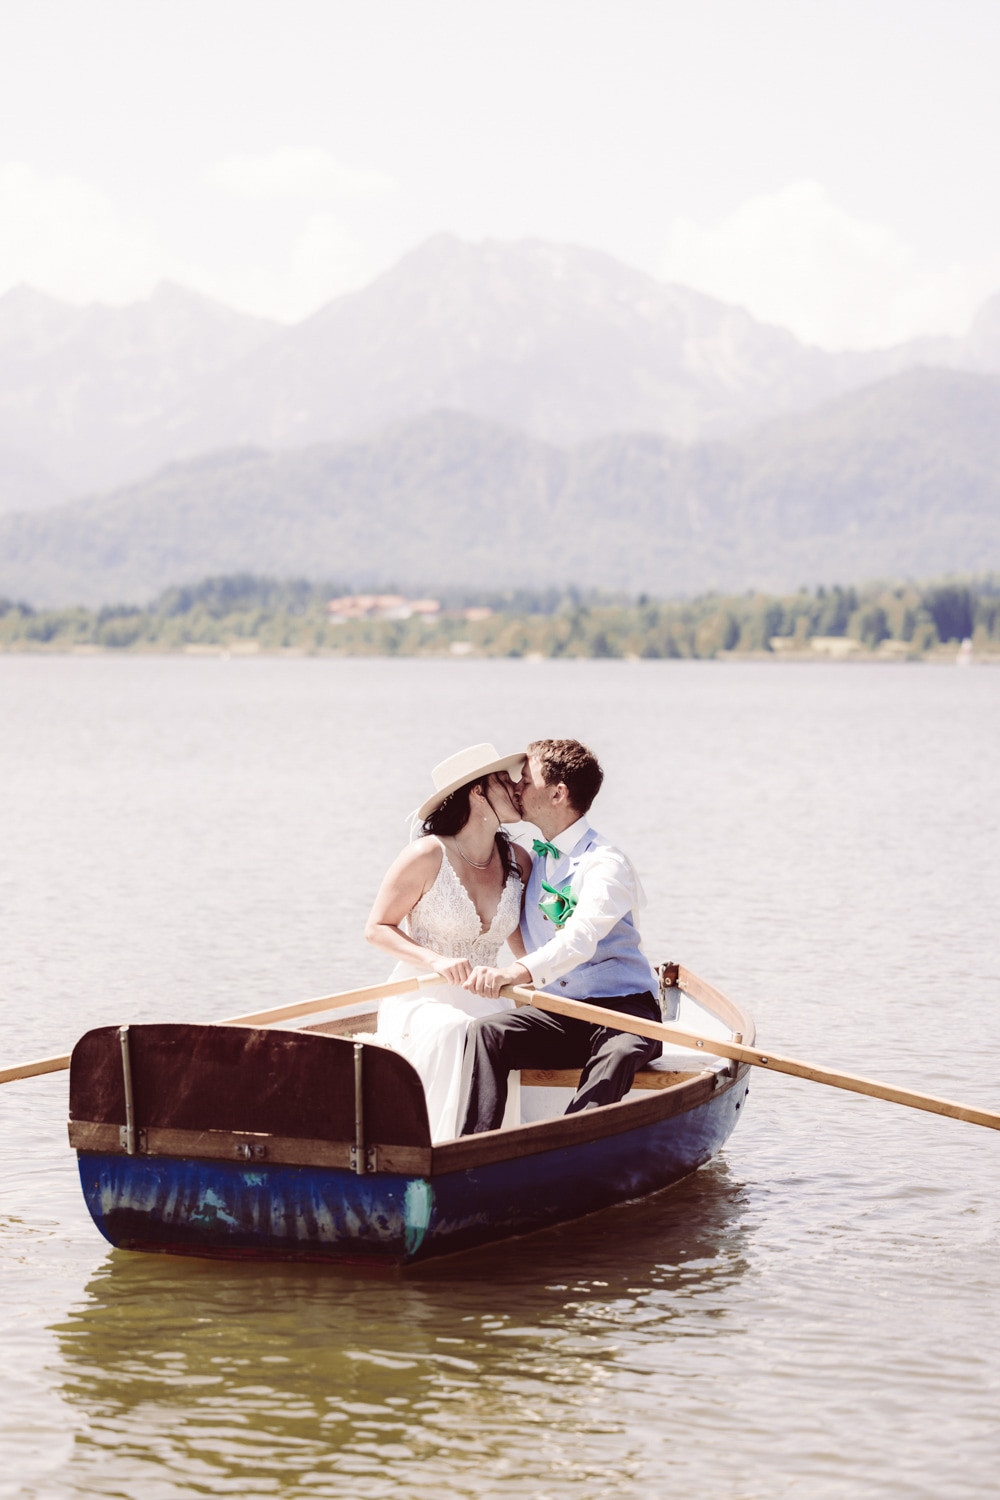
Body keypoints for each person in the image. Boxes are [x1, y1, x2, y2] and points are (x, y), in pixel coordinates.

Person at [458, 738, 661, 1134]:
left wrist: (513, 973)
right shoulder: (527, 857)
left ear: (558, 793)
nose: (516, 787)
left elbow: (579, 939)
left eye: (525, 779)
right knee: (487, 1034)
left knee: (617, 1055)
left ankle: (568, 1148)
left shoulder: (605, 864)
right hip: (562, 1013)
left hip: (625, 1013)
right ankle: (472, 1149)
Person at [365, 742, 531, 1142]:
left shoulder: (518, 860)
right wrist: (436, 961)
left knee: (497, 1031)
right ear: (477, 791)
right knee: (459, 1030)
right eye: (502, 779)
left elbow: (522, 944)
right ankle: (443, 1148)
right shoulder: (425, 855)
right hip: (423, 994)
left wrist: (557, 983)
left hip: (492, 995)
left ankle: (490, 1153)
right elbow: (377, 928)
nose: (516, 786)